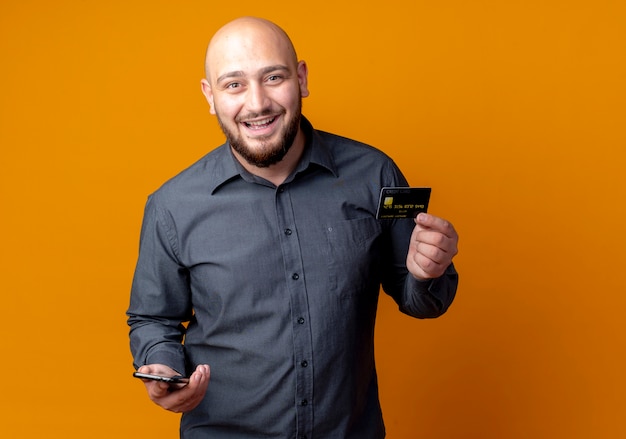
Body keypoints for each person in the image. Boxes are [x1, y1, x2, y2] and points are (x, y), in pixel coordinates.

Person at [127, 16, 459, 439]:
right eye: (234, 84)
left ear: (301, 78)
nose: (257, 102)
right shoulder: (172, 206)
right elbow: (152, 318)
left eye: (273, 77)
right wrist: (163, 365)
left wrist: (426, 273)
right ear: (210, 97)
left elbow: (422, 301)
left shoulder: (374, 174)